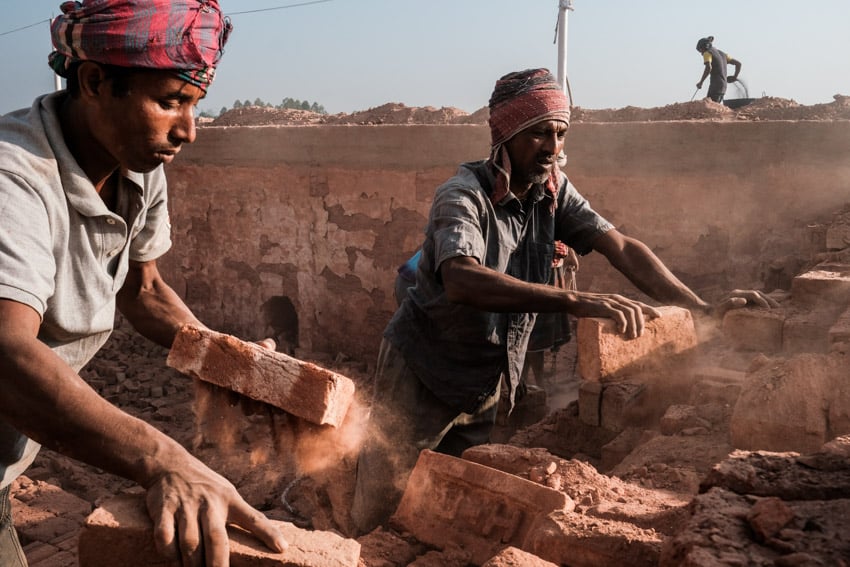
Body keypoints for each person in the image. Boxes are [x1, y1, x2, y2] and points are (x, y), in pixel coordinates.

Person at [351, 67, 776, 534]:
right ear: (506, 135)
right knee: (383, 501)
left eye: (559, 133)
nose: (552, 147)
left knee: (444, 503)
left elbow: (623, 248)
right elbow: (462, 279)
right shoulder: (463, 196)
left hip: (486, 378)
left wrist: (702, 308)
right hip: (424, 369)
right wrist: (575, 300)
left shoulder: (553, 192)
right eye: (538, 134)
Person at [0, 1, 288, 565]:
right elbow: (7, 353)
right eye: (171, 102)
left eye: (195, 105)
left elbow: (143, 288)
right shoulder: (14, 178)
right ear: (93, 81)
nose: (189, 131)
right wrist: (163, 459)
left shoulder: (136, 161)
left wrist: (223, 361)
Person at [695, 36, 742, 103]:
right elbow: (738, 64)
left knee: (711, 108)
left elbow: (708, 67)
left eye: (700, 51)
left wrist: (701, 82)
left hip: (715, 86)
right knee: (715, 106)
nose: (701, 54)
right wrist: (735, 77)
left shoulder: (707, 53)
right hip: (723, 86)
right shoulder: (722, 54)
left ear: (704, 47)